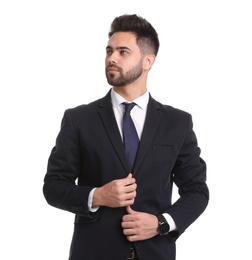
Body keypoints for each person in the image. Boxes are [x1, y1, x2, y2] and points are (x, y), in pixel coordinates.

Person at [43, 14, 209, 260]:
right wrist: (97, 196)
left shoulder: (178, 123)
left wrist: (161, 223)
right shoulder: (79, 119)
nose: (111, 58)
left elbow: (196, 190)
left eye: (123, 52)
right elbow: (53, 186)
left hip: (155, 253)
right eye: (109, 51)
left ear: (148, 61)